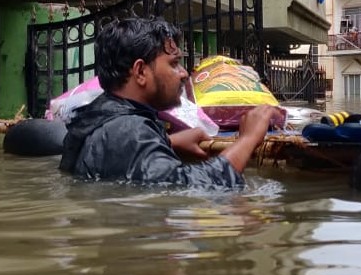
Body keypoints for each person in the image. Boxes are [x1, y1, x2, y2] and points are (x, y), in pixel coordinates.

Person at [59, 17, 281, 187]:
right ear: (140, 71)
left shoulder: (96, 117)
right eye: (174, 64)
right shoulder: (128, 131)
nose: (184, 74)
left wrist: (167, 141)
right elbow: (195, 187)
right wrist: (248, 139)